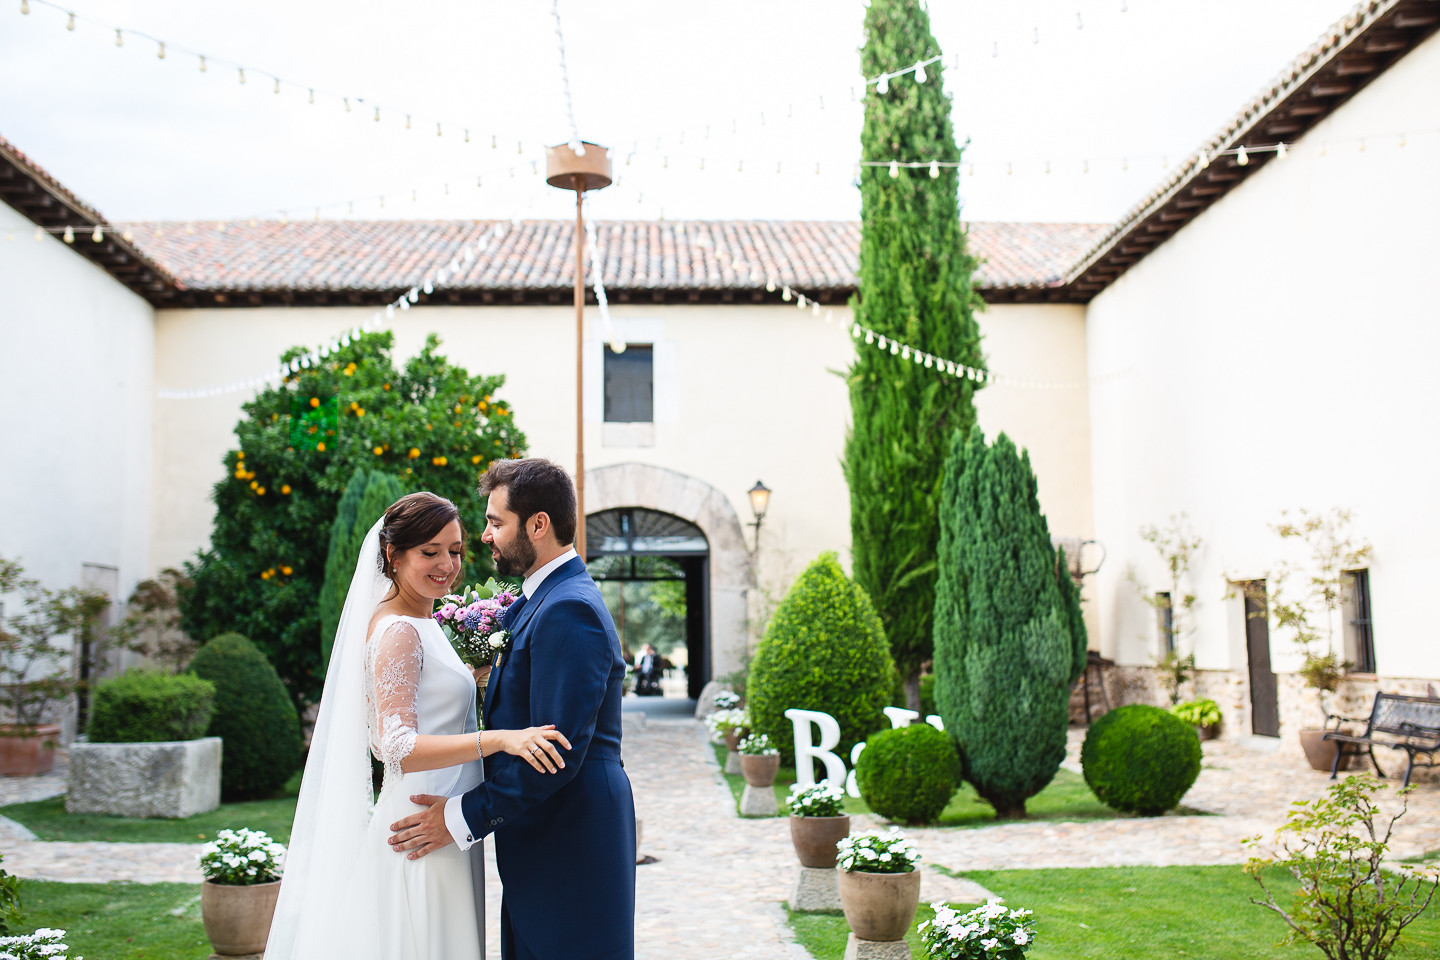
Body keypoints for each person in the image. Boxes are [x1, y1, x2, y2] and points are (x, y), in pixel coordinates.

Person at [265, 492, 571, 960]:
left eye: (455, 551)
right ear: (394, 555)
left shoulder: (421, 620)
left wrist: (477, 676)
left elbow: (425, 698)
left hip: (448, 813)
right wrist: (500, 740)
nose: (447, 565)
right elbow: (396, 746)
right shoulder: (400, 630)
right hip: (424, 820)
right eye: (430, 552)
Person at [387, 458, 636, 960]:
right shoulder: (543, 600)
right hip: (540, 837)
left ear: (538, 524)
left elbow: (556, 752)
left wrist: (459, 818)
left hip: (570, 840)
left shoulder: (569, 609)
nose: (484, 536)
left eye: (495, 522)